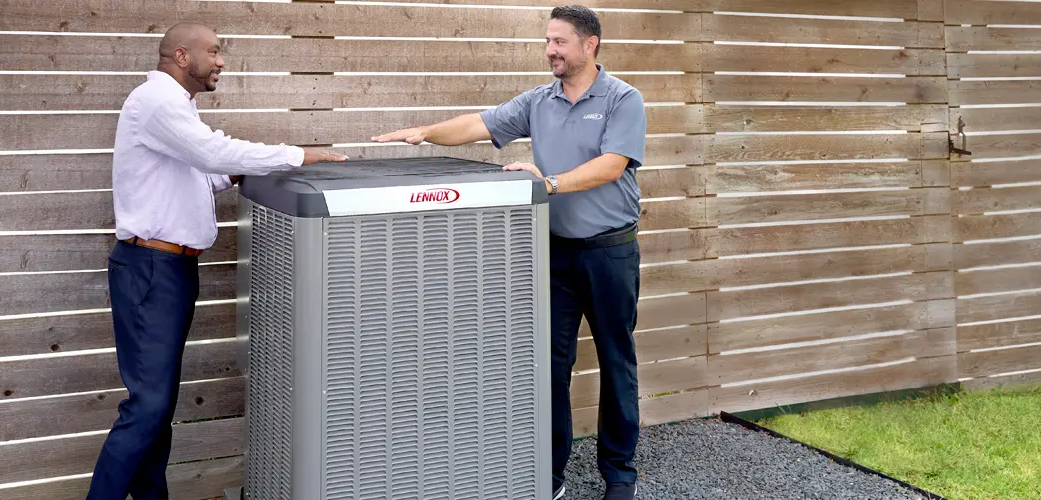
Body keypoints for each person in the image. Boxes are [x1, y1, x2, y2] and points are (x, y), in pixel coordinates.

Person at [371, 5, 646, 500]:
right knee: (549, 366)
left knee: (616, 361)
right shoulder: (538, 101)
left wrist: (551, 182)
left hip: (610, 254)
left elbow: (612, 165)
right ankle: (550, 475)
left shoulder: (623, 99)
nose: (550, 51)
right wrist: (425, 133)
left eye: (560, 42)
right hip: (555, 255)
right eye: (547, 41)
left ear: (590, 45)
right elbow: (481, 123)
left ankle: (620, 476)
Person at [87, 22, 346, 500]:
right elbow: (211, 152)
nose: (222, 61)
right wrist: (296, 156)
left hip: (169, 270)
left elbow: (200, 175)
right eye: (215, 52)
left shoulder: (175, 111)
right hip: (150, 272)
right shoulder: (157, 102)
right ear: (182, 57)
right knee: (147, 409)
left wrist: (244, 170)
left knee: (156, 409)